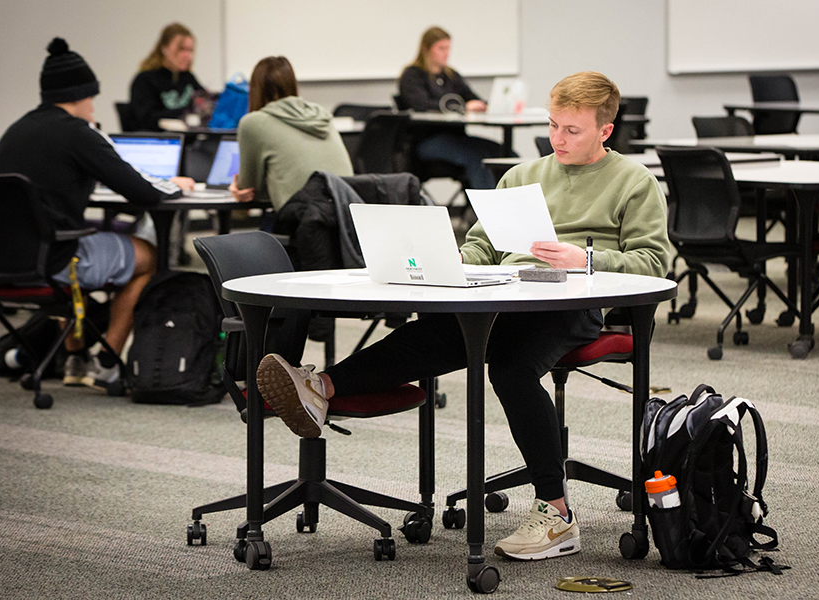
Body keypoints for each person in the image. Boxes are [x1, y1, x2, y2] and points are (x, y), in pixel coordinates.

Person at [254, 71, 670, 561]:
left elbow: (653, 263)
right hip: (506, 293)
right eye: (553, 126)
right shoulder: (522, 176)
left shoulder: (633, 181)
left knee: (511, 370)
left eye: (571, 131)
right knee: (435, 333)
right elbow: (480, 244)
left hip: (575, 302)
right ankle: (320, 388)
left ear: (605, 130)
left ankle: (557, 514)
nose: (557, 139)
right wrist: (448, 263)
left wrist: (585, 259)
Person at [0, 38, 194, 389]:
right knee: (147, 256)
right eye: (92, 96)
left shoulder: (14, 131)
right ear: (82, 94)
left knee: (74, 242)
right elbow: (142, 191)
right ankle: (108, 360)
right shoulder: (79, 134)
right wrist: (176, 184)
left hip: (9, 263)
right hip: (56, 263)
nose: (93, 105)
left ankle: (74, 359)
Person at [228, 56, 353, 212]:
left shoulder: (253, 122)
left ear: (255, 89)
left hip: (304, 222)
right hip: (346, 218)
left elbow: (248, 190)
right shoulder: (320, 114)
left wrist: (237, 190)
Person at [398, 26, 504, 189]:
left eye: (448, 48)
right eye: (441, 48)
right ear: (426, 49)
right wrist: (462, 107)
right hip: (427, 141)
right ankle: (486, 207)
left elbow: (471, 97)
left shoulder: (451, 75)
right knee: (477, 157)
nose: (446, 53)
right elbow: (421, 105)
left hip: (457, 138)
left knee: (504, 153)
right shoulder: (412, 75)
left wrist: (487, 105)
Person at [129, 23, 205, 131]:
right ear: (164, 49)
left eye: (190, 50)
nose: (187, 56)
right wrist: (184, 113)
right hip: (159, 140)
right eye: (181, 49)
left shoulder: (188, 78)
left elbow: (204, 102)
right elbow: (146, 119)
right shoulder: (145, 80)